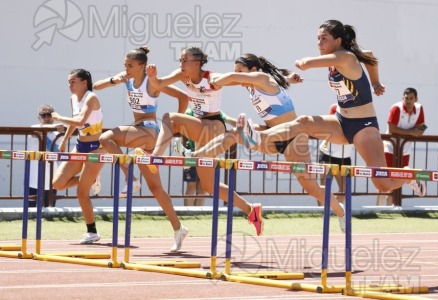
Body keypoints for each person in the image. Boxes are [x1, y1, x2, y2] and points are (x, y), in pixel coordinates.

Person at [237, 20, 426, 200]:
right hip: (340, 121)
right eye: (318, 38)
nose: (319, 42)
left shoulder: (346, 57)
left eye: (324, 38)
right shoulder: (343, 57)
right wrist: (374, 82)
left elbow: (313, 63)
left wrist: (305, 62)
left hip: (364, 127)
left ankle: (409, 174)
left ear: (338, 41)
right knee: (304, 122)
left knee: (383, 185)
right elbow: (369, 56)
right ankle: (258, 137)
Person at [189, 53, 345, 232]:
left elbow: (232, 78)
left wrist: (216, 81)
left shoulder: (262, 78)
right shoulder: (254, 85)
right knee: (233, 134)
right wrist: (209, 78)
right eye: (236, 71)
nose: (238, 76)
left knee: (312, 188)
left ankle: (341, 212)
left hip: (292, 139)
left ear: (253, 70)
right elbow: (233, 79)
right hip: (271, 136)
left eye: (241, 71)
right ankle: (197, 156)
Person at [146, 47, 264, 236]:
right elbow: (158, 84)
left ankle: (155, 159)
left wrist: (258, 79)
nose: (181, 64)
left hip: (214, 126)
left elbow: (236, 79)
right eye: (180, 60)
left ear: (197, 63)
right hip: (199, 127)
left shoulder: (212, 78)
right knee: (210, 187)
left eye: (185, 60)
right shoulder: (181, 75)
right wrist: (152, 76)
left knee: (170, 118)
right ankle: (252, 210)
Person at [93, 46, 190, 252]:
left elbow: (183, 98)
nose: (126, 69)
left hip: (150, 131)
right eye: (124, 65)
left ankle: (130, 179)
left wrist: (175, 128)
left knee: (106, 138)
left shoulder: (151, 82)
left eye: (130, 65)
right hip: (138, 132)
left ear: (142, 66)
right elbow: (96, 86)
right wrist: (115, 80)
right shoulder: (126, 79)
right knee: (156, 190)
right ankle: (178, 228)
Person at [51, 69, 105, 244]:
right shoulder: (73, 99)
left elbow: (81, 121)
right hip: (80, 146)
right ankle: (91, 179)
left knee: (82, 193)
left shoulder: (91, 98)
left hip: (96, 148)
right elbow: (75, 124)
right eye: (68, 82)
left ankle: (92, 232)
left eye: (73, 81)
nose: (69, 85)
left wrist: (59, 117)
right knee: (58, 184)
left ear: (84, 82)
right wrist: (65, 140)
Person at [173, 109, 236, 206]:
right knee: (191, 185)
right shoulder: (190, 111)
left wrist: (242, 126)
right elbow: (183, 129)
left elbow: (228, 119)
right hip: (191, 150)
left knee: (205, 186)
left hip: (206, 154)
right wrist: (182, 153)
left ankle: (198, 211)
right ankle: (187, 212)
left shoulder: (215, 111)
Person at [376, 87, 426, 205]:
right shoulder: (396, 108)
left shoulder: (419, 108)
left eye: (411, 98)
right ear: (402, 98)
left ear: (416, 99)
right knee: (386, 179)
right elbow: (392, 128)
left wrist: (418, 131)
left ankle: (393, 205)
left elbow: (422, 126)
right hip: (389, 148)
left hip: (405, 149)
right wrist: (411, 132)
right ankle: (379, 206)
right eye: (406, 98)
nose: (408, 101)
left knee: (401, 176)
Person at [28, 104, 64, 208]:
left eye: (49, 115)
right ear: (39, 117)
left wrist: (61, 128)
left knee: (50, 210)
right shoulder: (34, 128)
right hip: (34, 177)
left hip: (52, 177)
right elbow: (37, 132)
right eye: (44, 115)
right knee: (31, 210)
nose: (47, 118)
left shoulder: (59, 131)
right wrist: (56, 128)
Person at [318, 103, 353, 204]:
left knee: (345, 190)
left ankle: (335, 211)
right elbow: (333, 125)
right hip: (327, 154)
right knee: (323, 188)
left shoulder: (360, 111)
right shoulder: (335, 107)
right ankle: (322, 212)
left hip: (344, 157)